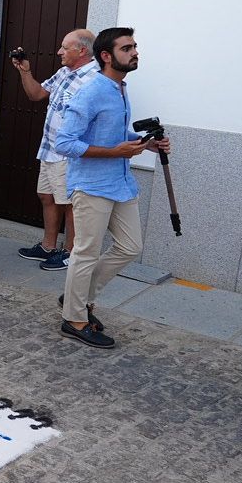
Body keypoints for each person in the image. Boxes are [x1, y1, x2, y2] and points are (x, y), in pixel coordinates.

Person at [55, 28, 169, 349]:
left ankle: (77, 296)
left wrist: (148, 145)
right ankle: (74, 318)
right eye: (127, 48)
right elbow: (65, 142)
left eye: (135, 47)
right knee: (86, 253)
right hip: (91, 185)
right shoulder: (90, 92)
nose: (135, 52)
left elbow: (113, 136)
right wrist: (115, 152)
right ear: (106, 56)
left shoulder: (120, 88)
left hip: (120, 182)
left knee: (130, 247)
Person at [12, 30, 97, 271]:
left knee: (69, 203)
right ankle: (48, 246)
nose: (59, 51)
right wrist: (24, 71)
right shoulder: (64, 72)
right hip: (49, 147)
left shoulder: (94, 79)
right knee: (47, 196)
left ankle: (70, 253)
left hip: (69, 153)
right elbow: (37, 94)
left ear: (81, 51)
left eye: (64, 47)